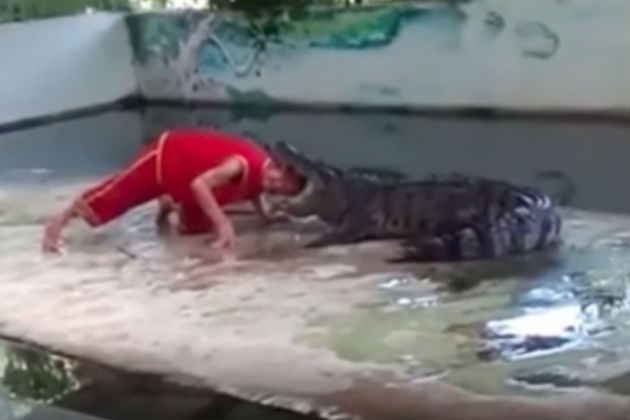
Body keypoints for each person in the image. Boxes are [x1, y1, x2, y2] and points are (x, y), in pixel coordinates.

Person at [41, 128, 305, 253]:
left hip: (187, 174)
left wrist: (265, 215)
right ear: (278, 166)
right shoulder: (241, 164)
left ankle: (169, 200)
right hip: (166, 157)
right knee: (115, 196)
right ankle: (59, 221)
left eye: (282, 191)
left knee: (195, 230)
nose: (276, 187)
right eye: (279, 180)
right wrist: (224, 223)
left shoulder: (262, 174)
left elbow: (253, 189)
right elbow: (200, 185)